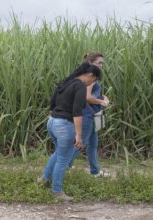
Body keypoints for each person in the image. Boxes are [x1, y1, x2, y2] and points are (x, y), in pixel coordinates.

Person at [39, 63, 102, 201]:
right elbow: (77, 112)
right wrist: (78, 136)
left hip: (52, 121)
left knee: (58, 153)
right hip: (64, 125)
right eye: (94, 80)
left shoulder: (66, 82)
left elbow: (52, 104)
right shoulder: (80, 86)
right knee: (63, 159)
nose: (92, 83)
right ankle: (57, 191)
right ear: (90, 75)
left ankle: (43, 180)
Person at [68, 52, 110, 177]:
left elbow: (93, 94)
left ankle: (95, 171)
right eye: (99, 62)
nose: (101, 65)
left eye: (102, 63)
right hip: (87, 114)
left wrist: (103, 97)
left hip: (91, 114)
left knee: (93, 144)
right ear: (91, 62)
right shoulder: (90, 76)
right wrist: (102, 102)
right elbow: (87, 97)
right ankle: (64, 165)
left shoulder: (87, 74)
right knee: (81, 143)